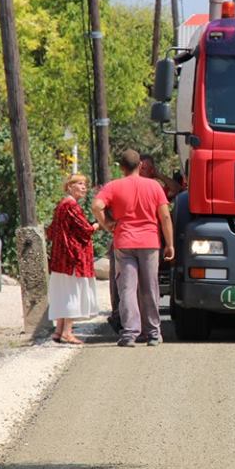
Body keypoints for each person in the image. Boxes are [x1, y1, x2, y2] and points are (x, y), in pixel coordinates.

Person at [92, 149, 175, 347]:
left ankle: (129, 333)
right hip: (149, 243)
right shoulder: (154, 186)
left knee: (127, 289)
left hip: (124, 242)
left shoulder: (114, 186)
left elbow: (96, 206)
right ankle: (153, 333)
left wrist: (107, 224)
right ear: (140, 166)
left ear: (121, 168)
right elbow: (164, 216)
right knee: (149, 287)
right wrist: (170, 244)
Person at [46, 173, 100, 345]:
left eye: (85, 184)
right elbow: (86, 230)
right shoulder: (72, 206)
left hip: (60, 257)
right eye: (79, 183)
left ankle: (58, 330)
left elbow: (51, 231)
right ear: (69, 186)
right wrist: (97, 224)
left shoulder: (61, 205)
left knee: (63, 292)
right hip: (72, 258)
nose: (84, 187)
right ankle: (67, 333)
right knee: (72, 293)